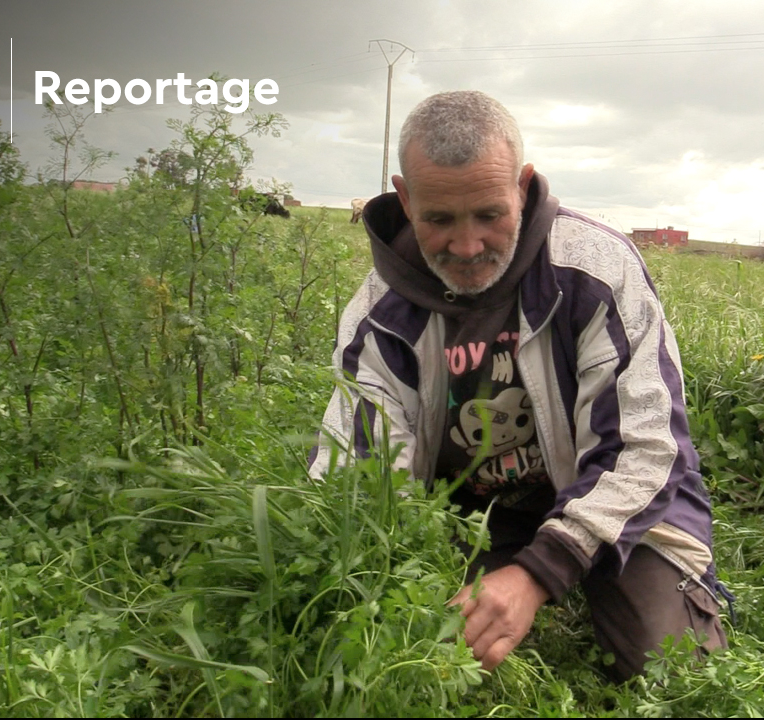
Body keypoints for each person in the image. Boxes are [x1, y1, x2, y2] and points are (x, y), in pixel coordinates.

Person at [309, 90, 728, 682]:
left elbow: (644, 446)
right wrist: (403, 566)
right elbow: (359, 474)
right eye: (438, 219)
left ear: (523, 186)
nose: (467, 246)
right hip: (471, 520)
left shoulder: (593, 273)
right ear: (405, 200)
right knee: (402, 645)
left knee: (667, 667)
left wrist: (538, 573)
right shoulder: (380, 316)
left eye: (488, 214)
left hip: (617, 502)